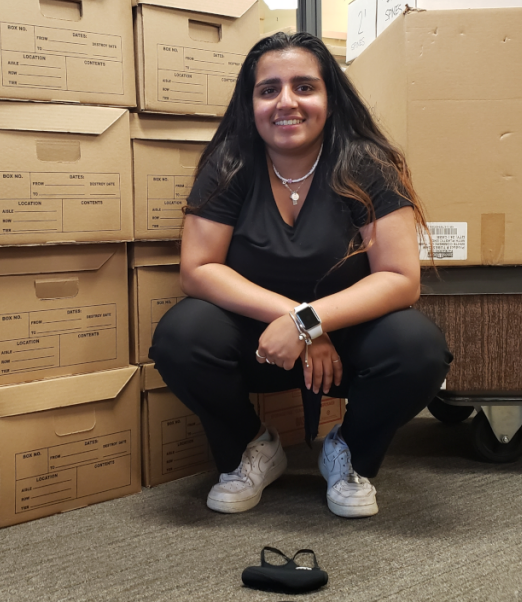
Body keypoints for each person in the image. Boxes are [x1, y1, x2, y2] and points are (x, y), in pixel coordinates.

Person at [149, 32, 452, 518]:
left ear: (330, 98)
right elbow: (199, 269)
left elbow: (399, 278)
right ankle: (253, 447)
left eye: (304, 87)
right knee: (182, 335)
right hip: (257, 339)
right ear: (251, 104)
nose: (285, 102)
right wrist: (300, 323)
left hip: (350, 340)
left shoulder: (368, 166)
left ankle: (349, 451)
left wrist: (310, 324)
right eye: (268, 89)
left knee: (418, 347)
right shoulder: (229, 165)